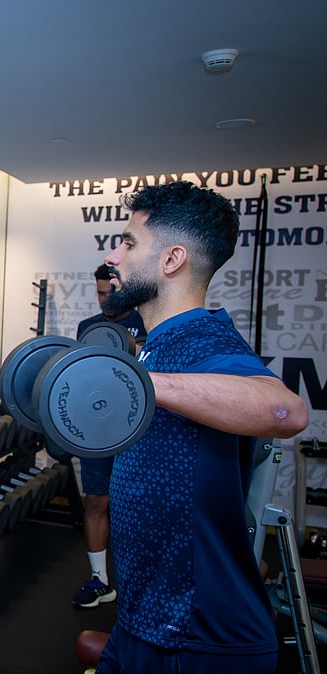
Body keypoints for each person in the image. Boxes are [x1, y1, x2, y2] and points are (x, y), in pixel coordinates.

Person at [96, 182, 307, 673]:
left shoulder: (202, 339)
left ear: (172, 260)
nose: (113, 257)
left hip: (197, 637)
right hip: (142, 620)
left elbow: (286, 412)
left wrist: (136, 382)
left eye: (128, 243)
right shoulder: (156, 344)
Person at [71, 264, 147, 609]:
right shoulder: (88, 328)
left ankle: (141, 581)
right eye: (100, 293)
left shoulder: (148, 322)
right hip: (97, 430)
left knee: (137, 505)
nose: (105, 300)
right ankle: (100, 580)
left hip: (136, 428)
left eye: (111, 293)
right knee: (96, 501)